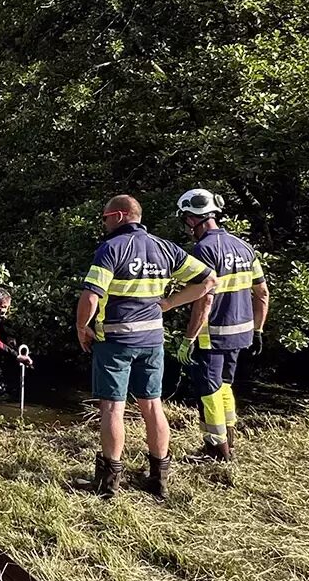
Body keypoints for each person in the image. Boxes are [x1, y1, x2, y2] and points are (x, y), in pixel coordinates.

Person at [75, 195, 216, 499]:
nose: (104, 222)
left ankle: (109, 483)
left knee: (112, 407)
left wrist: (82, 327)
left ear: (120, 215)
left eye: (105, 217)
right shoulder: (165, 248)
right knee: (152, 406)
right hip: (152, 339)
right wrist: (169, 303)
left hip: (115, 341)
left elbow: (91, 296)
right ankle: (159, 480)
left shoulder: (112, 248)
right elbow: (208, 281)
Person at [174, 188, 269, 462]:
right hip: (242, 332)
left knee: (209, 390)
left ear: (192, 218)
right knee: (225, 385)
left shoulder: (204, 250)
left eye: (186, 220)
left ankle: (216, 450)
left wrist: (188, 339)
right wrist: (258, 329)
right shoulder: (244, 247)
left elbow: (204, 299)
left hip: (212, 334)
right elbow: (262, 293)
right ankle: (230, 441)